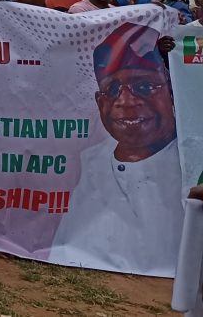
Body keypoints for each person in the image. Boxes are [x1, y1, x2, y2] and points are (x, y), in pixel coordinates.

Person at [50, 23, 181, 274]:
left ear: (171, 92)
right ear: (100, 103)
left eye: (144, 87)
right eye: (112, 89)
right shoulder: (87, 166)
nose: (126, 102)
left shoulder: (189, 162)